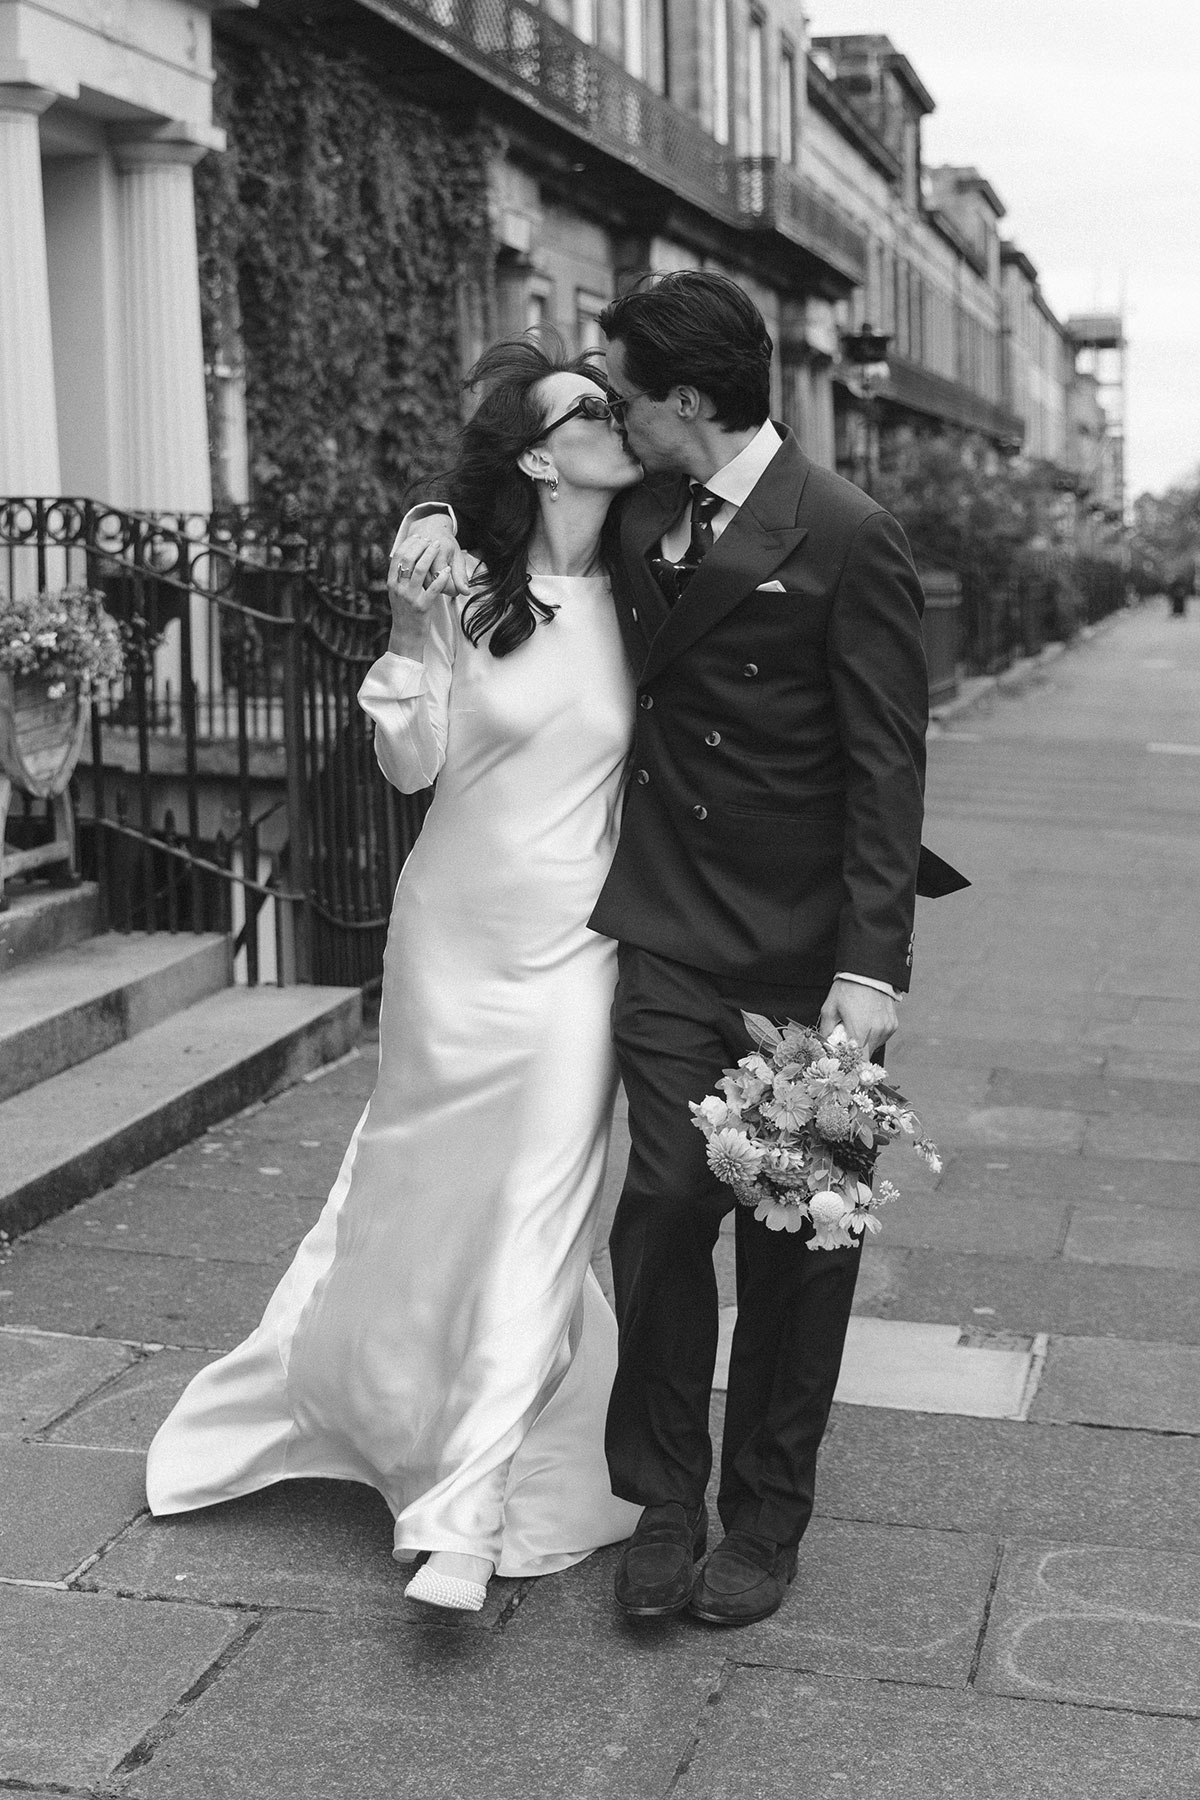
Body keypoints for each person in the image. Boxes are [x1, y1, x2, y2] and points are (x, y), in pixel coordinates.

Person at [398, 270, 965, 1629]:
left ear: (690, 401)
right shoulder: (643, 509)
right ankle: (664, 1501)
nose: (618, 412)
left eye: (631, 392)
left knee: (800, 1247)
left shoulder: (845, 532)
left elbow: (889, 770)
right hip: (662, 934)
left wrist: (869, 975)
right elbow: (511, 511)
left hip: (805, 961)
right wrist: (431, 517)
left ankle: (764, 1523)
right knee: (659, 1215)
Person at [145, 339, 644, 1612]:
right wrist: (412, 624)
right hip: (452, 941)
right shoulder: (467, 596)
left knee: (541, 1202)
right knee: (430, 1198)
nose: (620, 416)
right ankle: (357, 1407)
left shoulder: (657, 585)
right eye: (593, 408)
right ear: (539, 456)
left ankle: (466, 1516)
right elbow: (411, 769)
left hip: (582, 949)